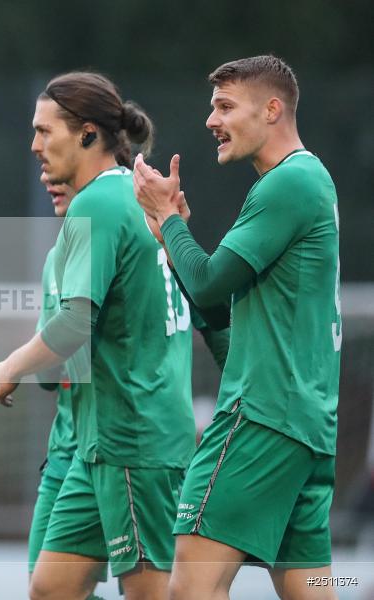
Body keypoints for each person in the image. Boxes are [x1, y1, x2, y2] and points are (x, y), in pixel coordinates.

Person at [0, 71, 228, 600]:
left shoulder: (97, 203)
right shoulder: (136, 198)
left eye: (45, 131)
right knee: (51, 589)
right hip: (103, 441)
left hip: (133, 440)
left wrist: (10, 366)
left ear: (88, 133)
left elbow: (73, 327)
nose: (34, 145)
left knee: (156, 593)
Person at [134, 54, 341, 600]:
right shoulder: (305, 182)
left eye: (225, 106)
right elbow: (222, 309)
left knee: (190, 588)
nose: (211, 120)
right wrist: (170, 235)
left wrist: (170, 221)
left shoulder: (288, 183)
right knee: (312, 588)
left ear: (272, 109)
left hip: (260, 420)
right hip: (304, 428)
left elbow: (205, 284)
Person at [27, 174, 106, 598]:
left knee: (166, 586)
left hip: (117, 447)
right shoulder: (149, 240)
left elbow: (44, 373)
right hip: (69, 452)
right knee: (49, 588)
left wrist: (13, 364)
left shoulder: (63, 255)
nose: (48, 178)